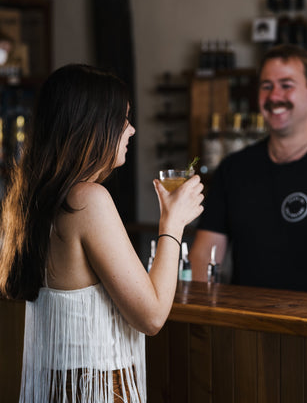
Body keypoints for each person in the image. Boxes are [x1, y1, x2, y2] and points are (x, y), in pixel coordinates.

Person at [0, 64, 204, 402]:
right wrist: (173, 224)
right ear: (93, 126)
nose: (132, 130)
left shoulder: (33, 198)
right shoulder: (87, 199)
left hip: (59, 387)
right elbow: (151, 316)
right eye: (123, 120)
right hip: (96, 388)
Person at [189, 44, 307, 292]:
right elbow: (205, 252)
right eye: (266, 86)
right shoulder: (234, 169)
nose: (274, 96)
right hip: (247, 323)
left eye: (286, 85)